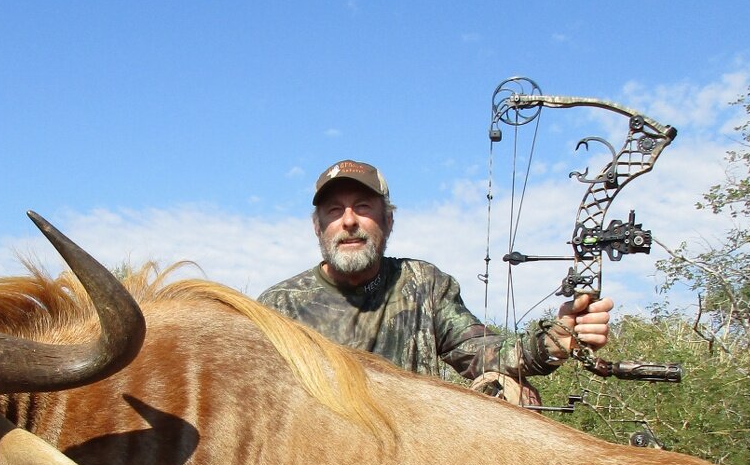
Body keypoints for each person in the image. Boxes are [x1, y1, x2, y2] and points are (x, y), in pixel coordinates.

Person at [257, 160, 613, 398]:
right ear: (318, 228)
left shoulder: (424, 284)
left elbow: (485, 355)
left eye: (363, 207)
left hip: (410, 461)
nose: (349, 221)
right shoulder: (278, 305)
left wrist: (559, 336)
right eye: (335, 211)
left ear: (388, 222)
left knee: (512, 392)